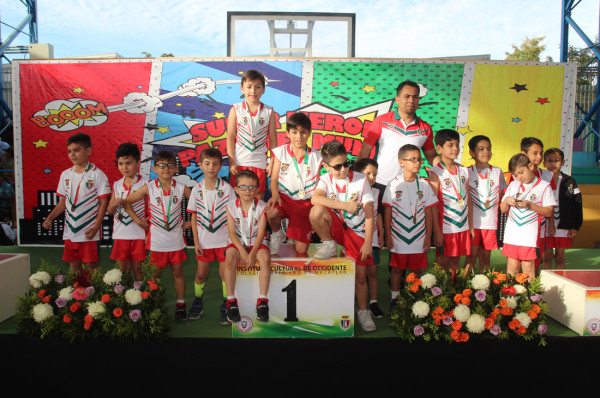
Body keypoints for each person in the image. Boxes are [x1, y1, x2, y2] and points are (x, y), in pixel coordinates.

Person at [309, 140, 376, 331]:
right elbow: (315, 198)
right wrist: (345, 205)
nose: (344, 169)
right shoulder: (325, 179)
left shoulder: (361, 180)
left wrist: (368, 243)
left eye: (346, 164)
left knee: (361, 277)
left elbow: (370, 214)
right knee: (316, 211)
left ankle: (363, 312)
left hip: (358, 232)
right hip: (338, 227)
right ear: (326, 166)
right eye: (337, 167)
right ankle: (329, 243)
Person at [124, 150, 192, 321]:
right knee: (155, 275)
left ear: (176, 168)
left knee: (178, 272)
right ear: (155, 168)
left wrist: (192, 223)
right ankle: (152, 303)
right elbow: (127, 202)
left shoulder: (182, 187)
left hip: (176, 240)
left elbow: (199, 205)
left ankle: (181, 304)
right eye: (161, 165)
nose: (166, 169)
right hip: (157, 242)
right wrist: (138, 221)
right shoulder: (149, 187)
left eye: (170, 165)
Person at [42, 133, 110, 273]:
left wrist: (96, 227)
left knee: (92, 267)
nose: (72, 154)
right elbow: (63, 202)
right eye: (69, 151)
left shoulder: (98, 175)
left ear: (88, 151)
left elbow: (103, 204)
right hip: (70, 230)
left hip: (89, 230)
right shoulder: (65, 175)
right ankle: (74, 294)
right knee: (74, 266)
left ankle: (94, 294)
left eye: (77, 150)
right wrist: (50, 218)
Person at [383, 144, 438, 310]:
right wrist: (388, 235)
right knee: (397, 270)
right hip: (398, 236)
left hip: (419, 236)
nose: (417, 163)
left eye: (419, 159)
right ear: (401, 162)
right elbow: (387, 210)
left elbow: (429, 211)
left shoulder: (425, 185)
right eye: (412, 159)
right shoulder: (393, 185)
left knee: (417, 270)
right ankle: (395, 299)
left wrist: (428, 236)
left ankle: (415, 298)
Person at [187, 148, 237, 324]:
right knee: (201, 274)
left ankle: (226, 305)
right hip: (204, 242)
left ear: (220, 166)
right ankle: (198, 302)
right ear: (200, 165)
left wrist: (232, 241)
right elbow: (193, 216)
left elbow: (232, 215)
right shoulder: (196, 190)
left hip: (223, 241)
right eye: (207, 163)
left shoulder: (227, 188)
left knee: (225, 275)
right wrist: (196, 242)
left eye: (215, 164)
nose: (211, 167)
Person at [358, 80, 439, 186]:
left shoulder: (425, 128)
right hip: (379, 183)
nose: (411, 100)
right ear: (397, 99)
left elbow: (432, 157)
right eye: (407, 96)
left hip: (408, 186)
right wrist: (358, 180)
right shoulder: (381, 121)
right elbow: (364, 152)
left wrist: (449, 169)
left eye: (415, 97)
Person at [267, 112, 322, 255]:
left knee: (301, 250)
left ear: (309, 133)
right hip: (284, 198)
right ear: (288, 133)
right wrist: (274, 194)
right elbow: (273, 179)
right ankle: (277, 234)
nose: (299, 136)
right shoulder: (280, 152)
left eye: (303, 132)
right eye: (294, 132)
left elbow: (318, 186)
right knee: (271, 211)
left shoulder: (317, 157)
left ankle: (293, 232)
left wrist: (315, 213)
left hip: (305, 204)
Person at [223, 169, 271, 323]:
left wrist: (252, 253)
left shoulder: (262, 206)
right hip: (238, 244)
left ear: (257, 189)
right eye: (243, 187)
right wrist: (244, 253)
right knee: (229, 258)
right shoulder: (230, 206)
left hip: (256, 243)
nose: (247, 191)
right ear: (236, 189)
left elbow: (261, 233)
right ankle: (231, 301)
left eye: (251, 187)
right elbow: (231, 233)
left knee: (264, 259)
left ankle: (262, 301)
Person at [501, 154, 555, 280]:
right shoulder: (513, 185)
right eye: (515, 175)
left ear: (530, 166)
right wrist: (506, 201)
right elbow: (503, 209)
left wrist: (531, 205)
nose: (519, 177)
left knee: (528, 268)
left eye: (521, 172)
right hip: (512, 234)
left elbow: (548, 212)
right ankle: (509, 297)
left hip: (530, 235)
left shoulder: (544, 186)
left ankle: (529, 298)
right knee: (512, 266)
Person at [226, 69, 277, 199]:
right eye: (249, 87)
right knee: (237, 201)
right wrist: (232, 161)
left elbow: (273, 140)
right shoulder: (235, 109)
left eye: (257, 87)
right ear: (242, 89)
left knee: (258, 202)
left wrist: (272, 163)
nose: (253, 91)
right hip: (239, 162)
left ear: (263, 90)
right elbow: (230, 137)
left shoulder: (269, 111)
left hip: (260, 164)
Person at [428, 129, 472, 271]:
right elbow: (432, 205)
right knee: (441, 262)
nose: (455, 149)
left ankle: (454, 293)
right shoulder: (435, 172)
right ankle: (438, 293)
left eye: (457, 145)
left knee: (455, 263)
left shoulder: (464, 170)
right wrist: (437, 231)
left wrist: (470, 226)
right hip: (445, 227)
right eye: (450, 145)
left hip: (462, 226)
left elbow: (468, 200)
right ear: (439, 148)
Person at [465, 135, 507, 272]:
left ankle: (484, 291)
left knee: (485, 260)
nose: (486, 152)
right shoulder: (466, 172)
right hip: (473, 224)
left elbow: (501, 196)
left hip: (490, 224)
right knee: (470, 260)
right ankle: (463, 290)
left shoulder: (497, 172)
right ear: (472, 153)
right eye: (481, 149)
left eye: (489, 149)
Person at [107, 143, 148, 280]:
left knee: (139, 270)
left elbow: (153, 210)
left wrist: (146, 224)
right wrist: (114, 204)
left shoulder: (146, 184)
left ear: (138, 162)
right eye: (121, 163)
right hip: (120, 234)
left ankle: (141, 297)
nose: (124, 167)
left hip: (139, 234)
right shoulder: (117, 184)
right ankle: (124, 298)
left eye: (128, 163)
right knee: (122, 270)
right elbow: (110, 211)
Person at [353, 158, 385, 319]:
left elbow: (377, 213)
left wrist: (381, 234)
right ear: (357, 174)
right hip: (355, 239)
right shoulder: (349, 189)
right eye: (368, 174)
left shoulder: (377, 191)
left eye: (375, 174)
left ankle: (373, 302)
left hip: (372, 240)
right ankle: (357, 303)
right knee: (358, 274)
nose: (372, 177)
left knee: (372, 272)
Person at [542, 148, 583, 269]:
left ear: (563, 162)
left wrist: (574, 226)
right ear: (544, 163)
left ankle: (562, 282)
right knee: (547, 256)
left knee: (560, 256)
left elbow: (577, 203)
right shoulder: (541, 180)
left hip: (563, 224)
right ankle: (546, 285)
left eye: (557, 160)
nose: (553, 163)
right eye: (550, 160)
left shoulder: (570, 181)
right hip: (545, 224)